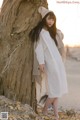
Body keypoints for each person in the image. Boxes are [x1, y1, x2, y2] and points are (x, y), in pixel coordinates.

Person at [29, 6, 68, 120]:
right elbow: (39, 49)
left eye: (53, 19)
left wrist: (57, 32)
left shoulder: (52, 32)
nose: (51, 21)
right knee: (54, 90)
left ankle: (55, 114)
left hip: (58, 62)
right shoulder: (40, 32)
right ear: (44, 19)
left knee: (57, 89)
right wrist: (41, 63)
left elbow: (61, 36)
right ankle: (45, 110)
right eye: (48, 19)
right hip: (49, 63)